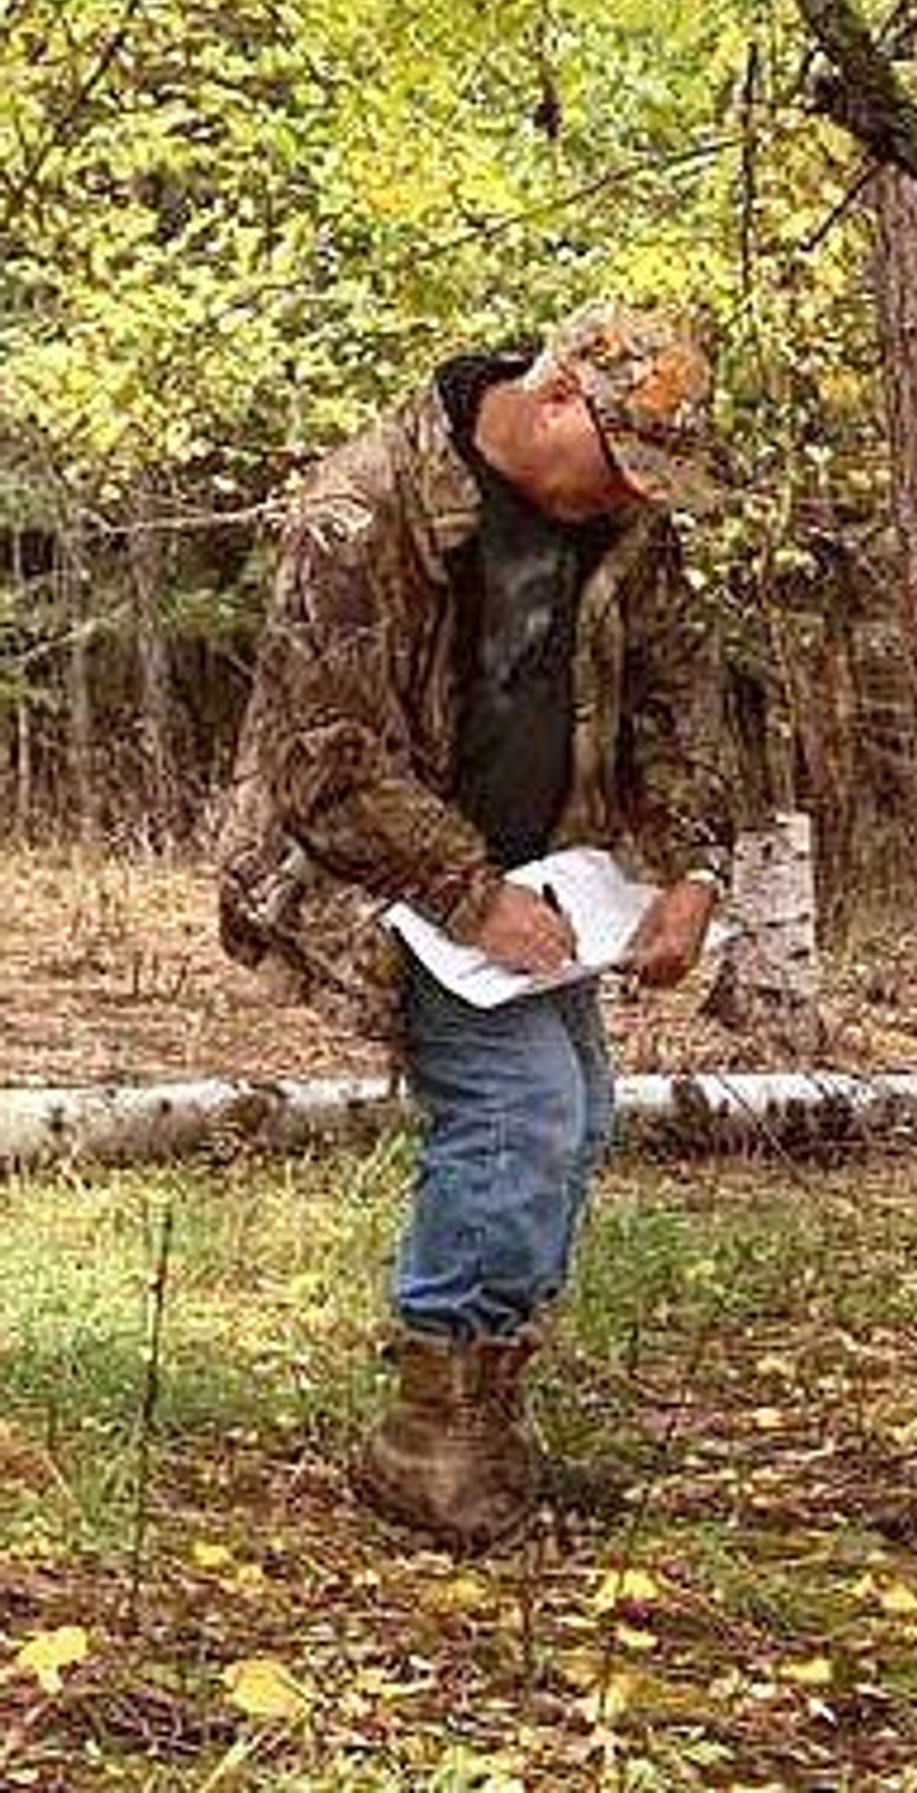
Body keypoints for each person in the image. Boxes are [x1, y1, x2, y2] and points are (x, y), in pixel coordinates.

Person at [210, 301, 732, 1548]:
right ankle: (426, 1434)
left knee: (574, 1113)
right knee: (519, 1113)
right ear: (557, 402)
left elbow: (673, 697)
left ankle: (482, 1412)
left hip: (545, 881)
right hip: (376, 870)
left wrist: (690, 869)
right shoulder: (360, 512)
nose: (635, 502)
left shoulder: (620, 522)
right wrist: (465, 889)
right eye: (624, 467)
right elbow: (323, 762)